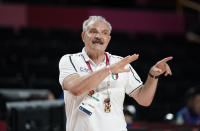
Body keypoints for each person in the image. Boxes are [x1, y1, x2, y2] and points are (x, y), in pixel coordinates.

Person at [59, 16, 173, 131]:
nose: (98, 36)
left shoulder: (120, 63)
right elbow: (75, 89)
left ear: (108, 39)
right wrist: (109, 70)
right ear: (83, 36)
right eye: (93, 32)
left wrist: (153, 75)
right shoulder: (70, 60)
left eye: (104, 33)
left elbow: (143, 99)